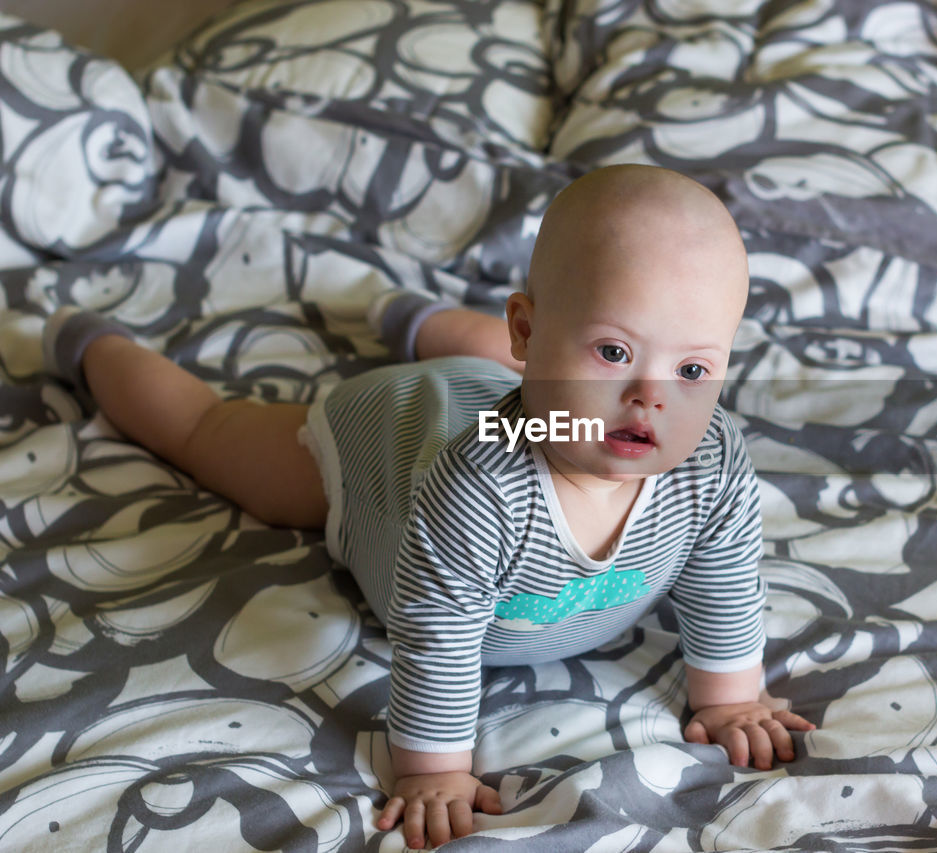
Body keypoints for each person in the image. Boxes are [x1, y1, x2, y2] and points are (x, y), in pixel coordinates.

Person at [43, 164, 816, 849]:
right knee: (212, 438)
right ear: (529, 327)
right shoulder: (480, 492)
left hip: (511, 392)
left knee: (509, 379)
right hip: (386, 444)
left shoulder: (708, 459)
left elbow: (725, 577)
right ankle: (89, 344)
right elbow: (438, 636)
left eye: (691, 366)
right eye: (613, 351)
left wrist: (730, 697)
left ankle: (418, 321)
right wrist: (435, 771)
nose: (652, 394)